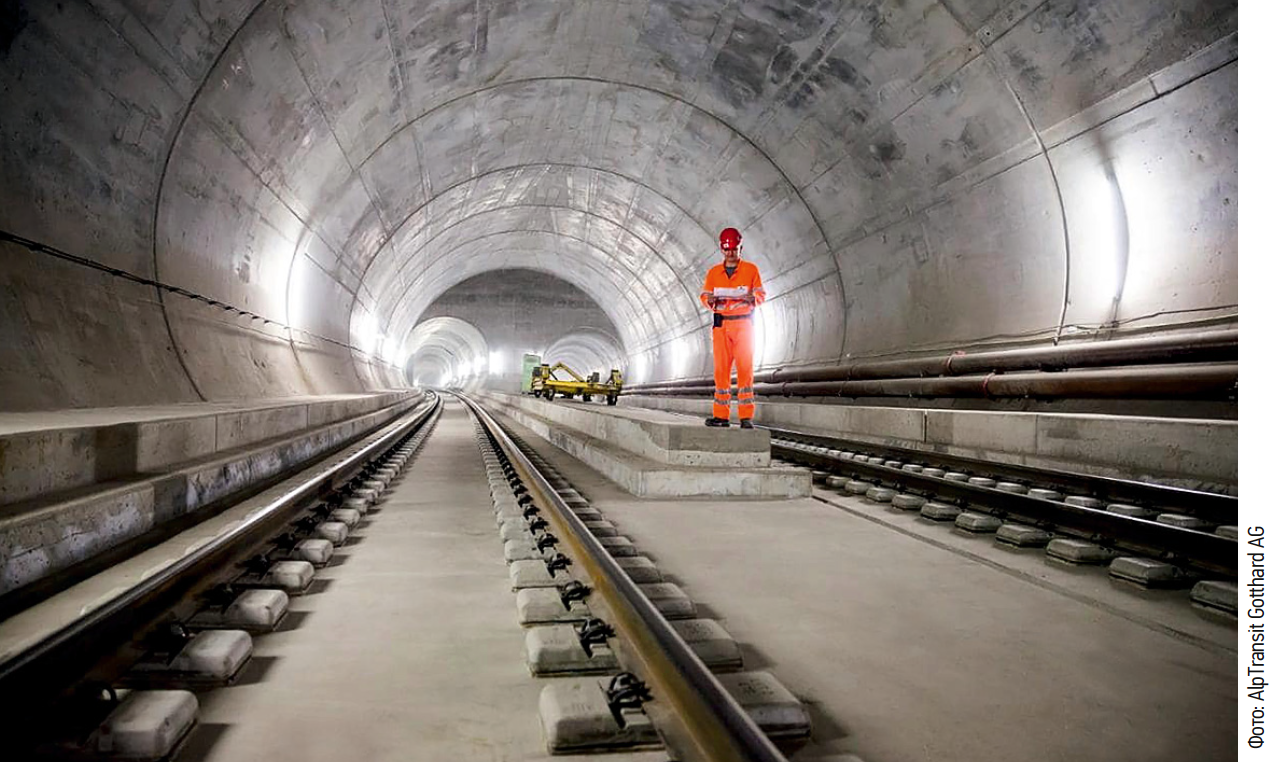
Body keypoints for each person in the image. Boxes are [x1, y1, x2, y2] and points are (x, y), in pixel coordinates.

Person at [699, 227, 765, 428]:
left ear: (740, 248)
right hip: (721, 327)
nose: (731, 254)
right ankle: (722, 416)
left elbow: (761, 295)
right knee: (721, 372)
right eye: (727, 250)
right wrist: (709, 300)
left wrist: (751, 297)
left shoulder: (751, 270)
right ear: (722, 249)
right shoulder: (713, 273)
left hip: (744, 325)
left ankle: (746, 417)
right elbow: (704, 296)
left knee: (745, 370)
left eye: (734, 250)